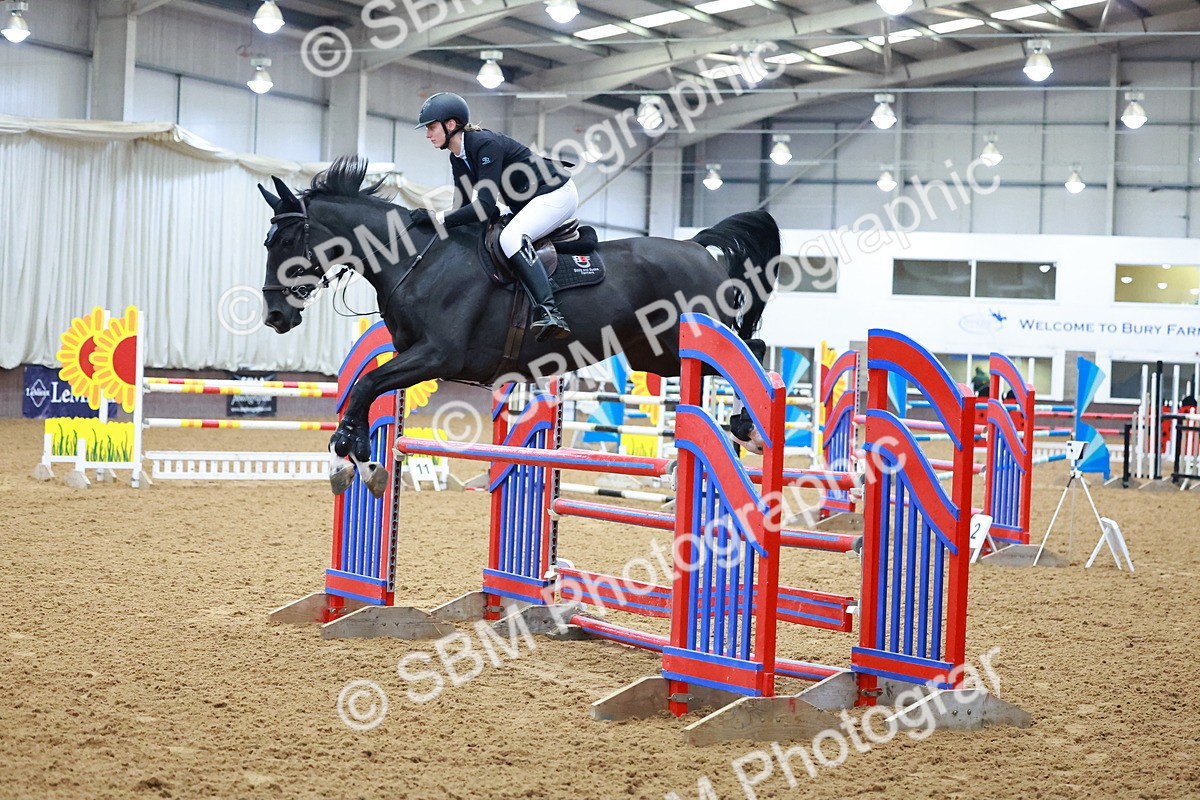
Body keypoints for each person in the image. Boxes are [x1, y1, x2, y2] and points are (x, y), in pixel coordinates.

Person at [410, 92, 575, 341]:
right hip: (525, 201)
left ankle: (550, 311)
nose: (428, 134)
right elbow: (463, 209)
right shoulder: (457, 158)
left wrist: (436, 218)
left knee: (510, 239)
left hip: (555, 193)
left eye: (432, 127)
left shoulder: (485, 144)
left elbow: (485, 207)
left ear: (451, 125)